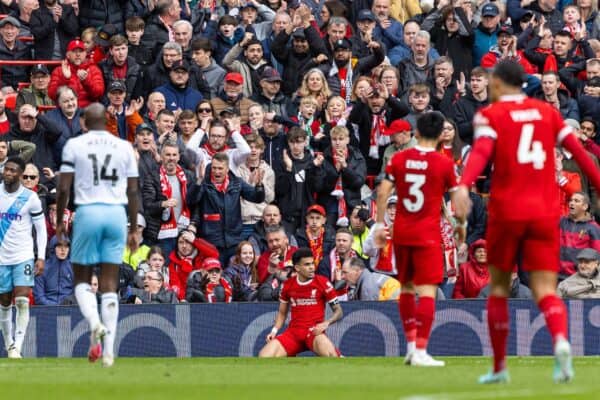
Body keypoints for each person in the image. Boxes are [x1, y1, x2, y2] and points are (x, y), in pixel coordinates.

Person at [453, 60, 600, 384]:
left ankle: (500, 366)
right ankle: (561, 342)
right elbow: (580, 153)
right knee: (546, 288)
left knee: (500, 289)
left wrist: (464, 184)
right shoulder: (547, 112)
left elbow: (480, 152)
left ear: (500, 83)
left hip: (507, 212)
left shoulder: (491, 115)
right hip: (545, 213)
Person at [375, 111, 464, 367]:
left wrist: (381, 224)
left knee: (406, 288)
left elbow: (383, 192)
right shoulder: (444, 163)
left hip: (402, 230)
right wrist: (461, 228)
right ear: (439, 137)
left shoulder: (400, 158)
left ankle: (411, 347)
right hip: (427, 233)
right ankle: (421, 351)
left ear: (415, 133)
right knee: (427, 292)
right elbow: (458, 199)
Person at [55, 103, 140, 368]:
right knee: (109, 282)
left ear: (84, 123)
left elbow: (63, 188)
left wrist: (59, 220)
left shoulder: (74, 145)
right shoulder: (124, 147)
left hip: (88, 211)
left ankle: (94, 322)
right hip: (116, 214)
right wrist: (134, 227)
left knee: (81, 278)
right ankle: (109, 353)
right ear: (108, 120)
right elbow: (133, 191)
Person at [0, 156, 47, 359]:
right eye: (6, 170)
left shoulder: (30, 198)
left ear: (20, 175)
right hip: (1, 258)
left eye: (12, 171)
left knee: (22, 300)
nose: (8, 173)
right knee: (3, 303)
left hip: (23, 256)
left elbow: (41, 229)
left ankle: (17, 347)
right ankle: (9, 343)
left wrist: (41, 256)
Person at [258, 247, 343, 357]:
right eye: (307, 265)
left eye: (312, 263)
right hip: (293, 334)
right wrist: (274, 331)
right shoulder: (287, 285)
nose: (312, 267)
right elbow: (282, 313)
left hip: (314, 333)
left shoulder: (322, 282)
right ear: (297, 268)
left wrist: (326, 323)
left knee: (331, 355)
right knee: (264, 356)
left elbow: (338, 311)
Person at [33, 236, 73, 306]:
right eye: (59, 246)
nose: (63, 249)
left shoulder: (73, 268)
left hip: (69, 309)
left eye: (66, 246)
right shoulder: (42, 267)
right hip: (47, 311)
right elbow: (39, 297)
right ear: (53, 248)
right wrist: (55, 306)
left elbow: (78, 293)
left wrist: (70, 302)